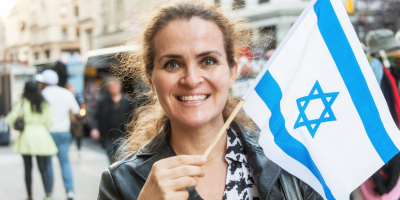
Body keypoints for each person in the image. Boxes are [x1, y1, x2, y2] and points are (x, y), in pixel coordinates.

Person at [97, 1, 323, 200]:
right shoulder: (119, 183)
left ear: (232, 71)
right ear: (150, 78)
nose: (192, 79)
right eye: (172, 64)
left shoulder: (287, 161)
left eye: (208, 61)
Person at [6, 81, 57, 200]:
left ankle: (29, 195)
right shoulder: (44, 103)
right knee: (43, 168)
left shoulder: (23, 103)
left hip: (26, 138)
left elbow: (10, 119)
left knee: (27, 169)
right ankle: (48, 194)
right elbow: (49, 121)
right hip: (42, 137)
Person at [35, 70, 80, 200]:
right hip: (63, 132)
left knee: (47, 163)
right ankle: (69, 190)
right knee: (64, 161)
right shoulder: (66, 93)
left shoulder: (42, 94)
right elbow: (76, 111)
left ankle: (49, 193)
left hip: (47, 133)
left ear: (45, 82)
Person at [90, 77, 135, 164]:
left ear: (120, 86)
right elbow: (97, 116)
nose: (113, 88)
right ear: (108, 88)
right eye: (111, 86)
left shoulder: (128, 100)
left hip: (124, 137)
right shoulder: (104, 101)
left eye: (115, 85)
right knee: (112, 162)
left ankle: (121, 177)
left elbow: (135, 117)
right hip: (109, 137)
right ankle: (114, 177)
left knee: (122, 161)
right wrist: (94, 128)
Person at [66, 83, 84, 156]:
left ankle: (79, 149)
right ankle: (68, 149)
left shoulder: (77, 98)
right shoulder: (66, 97)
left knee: (78, 135)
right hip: (68, 119)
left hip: (76, 119)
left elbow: (80, 108)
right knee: (70, 136)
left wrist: (80, 114)